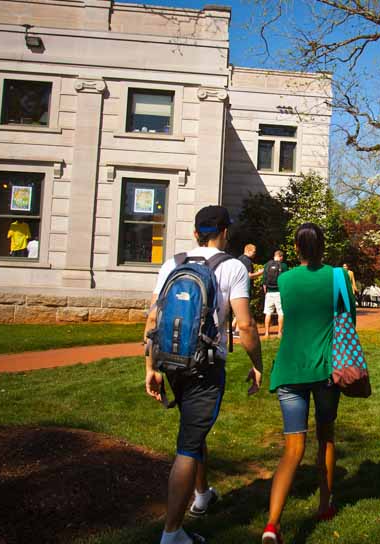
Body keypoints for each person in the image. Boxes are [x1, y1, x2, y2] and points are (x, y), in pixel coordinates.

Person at [144, 205, 264, 544]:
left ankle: (202, 494)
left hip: (172, 361)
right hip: (206, 367)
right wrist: (257, 364)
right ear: (225, 232)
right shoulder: (233, 268)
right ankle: (172, 534)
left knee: (194, 432)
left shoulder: (173, 263)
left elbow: (153, 319)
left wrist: (150, 367)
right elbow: (245, 324)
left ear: (196, 232)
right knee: (188, 445)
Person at [261, 223, 354, 544]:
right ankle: (325, 504)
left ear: (297, 249)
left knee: (292, 449)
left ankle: (272, 524)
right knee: (326, 438)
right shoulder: (338, 277)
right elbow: (349, 319)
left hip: (289, 369)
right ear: (323, 246)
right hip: (325, 370)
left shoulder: (285, 279)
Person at [234, 244, 262, 335]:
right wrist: (260, 273)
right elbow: (249, 276)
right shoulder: (247, 261)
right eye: (254, 252)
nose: (255, 254)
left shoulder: (239, 259)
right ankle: (238, 330)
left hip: (237, 286)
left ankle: (233, 326)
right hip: (245, 287)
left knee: (239, 308)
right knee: (244, 309)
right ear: (248, 251)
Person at [262, 250, 288, 339]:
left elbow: (264, 281)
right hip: (279, 292)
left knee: (268, 312)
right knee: (281, 312)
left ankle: (266, 333)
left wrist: (266, 291)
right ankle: (279, 333)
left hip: (269, 292)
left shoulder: (267, 265)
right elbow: (285, 280)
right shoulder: (283, 266)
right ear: (281, 257)